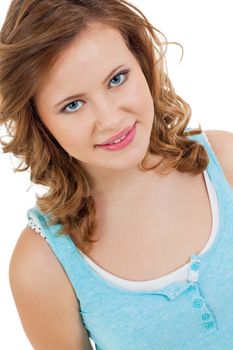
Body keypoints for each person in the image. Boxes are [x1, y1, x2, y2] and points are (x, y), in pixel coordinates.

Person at [1, 0, 233, 349]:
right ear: (40, 123)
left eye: (117, 79)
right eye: (73, 105)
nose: (110, 119)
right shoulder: (43, 265)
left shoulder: (225, 161)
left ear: (142, 63)